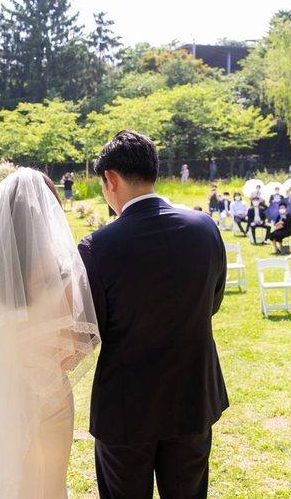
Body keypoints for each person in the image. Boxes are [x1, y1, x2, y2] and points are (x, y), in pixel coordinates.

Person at [73, 132, 225, 499]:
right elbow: (214, 301)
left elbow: (91, 328)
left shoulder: (98, 246)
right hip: (193, 393)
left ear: (110, 179)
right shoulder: (205, 228)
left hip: (127, 405)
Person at [0, 169, 97, 498]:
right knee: (48, 485)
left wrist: (6, 345)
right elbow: (74, 350)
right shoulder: (62, 270)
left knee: (1, 483)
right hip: (50, 394)